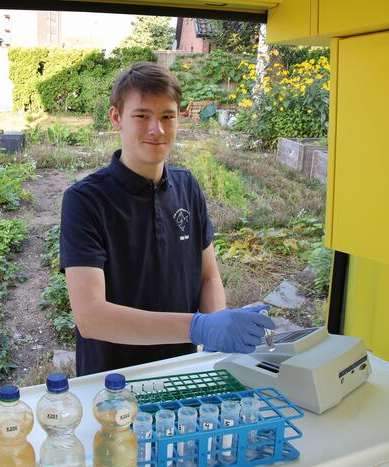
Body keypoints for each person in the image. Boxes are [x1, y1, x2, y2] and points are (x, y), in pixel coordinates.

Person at [59, 61, 275, 376]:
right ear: (116, 118)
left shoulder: (187, 186)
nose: (156, 129)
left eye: (167, 116)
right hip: (113, 383)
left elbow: (208, 277)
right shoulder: (85, 201)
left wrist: (218, 330)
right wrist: (199, 327)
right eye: (142, 116)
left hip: (184, 371)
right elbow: (91, 317)